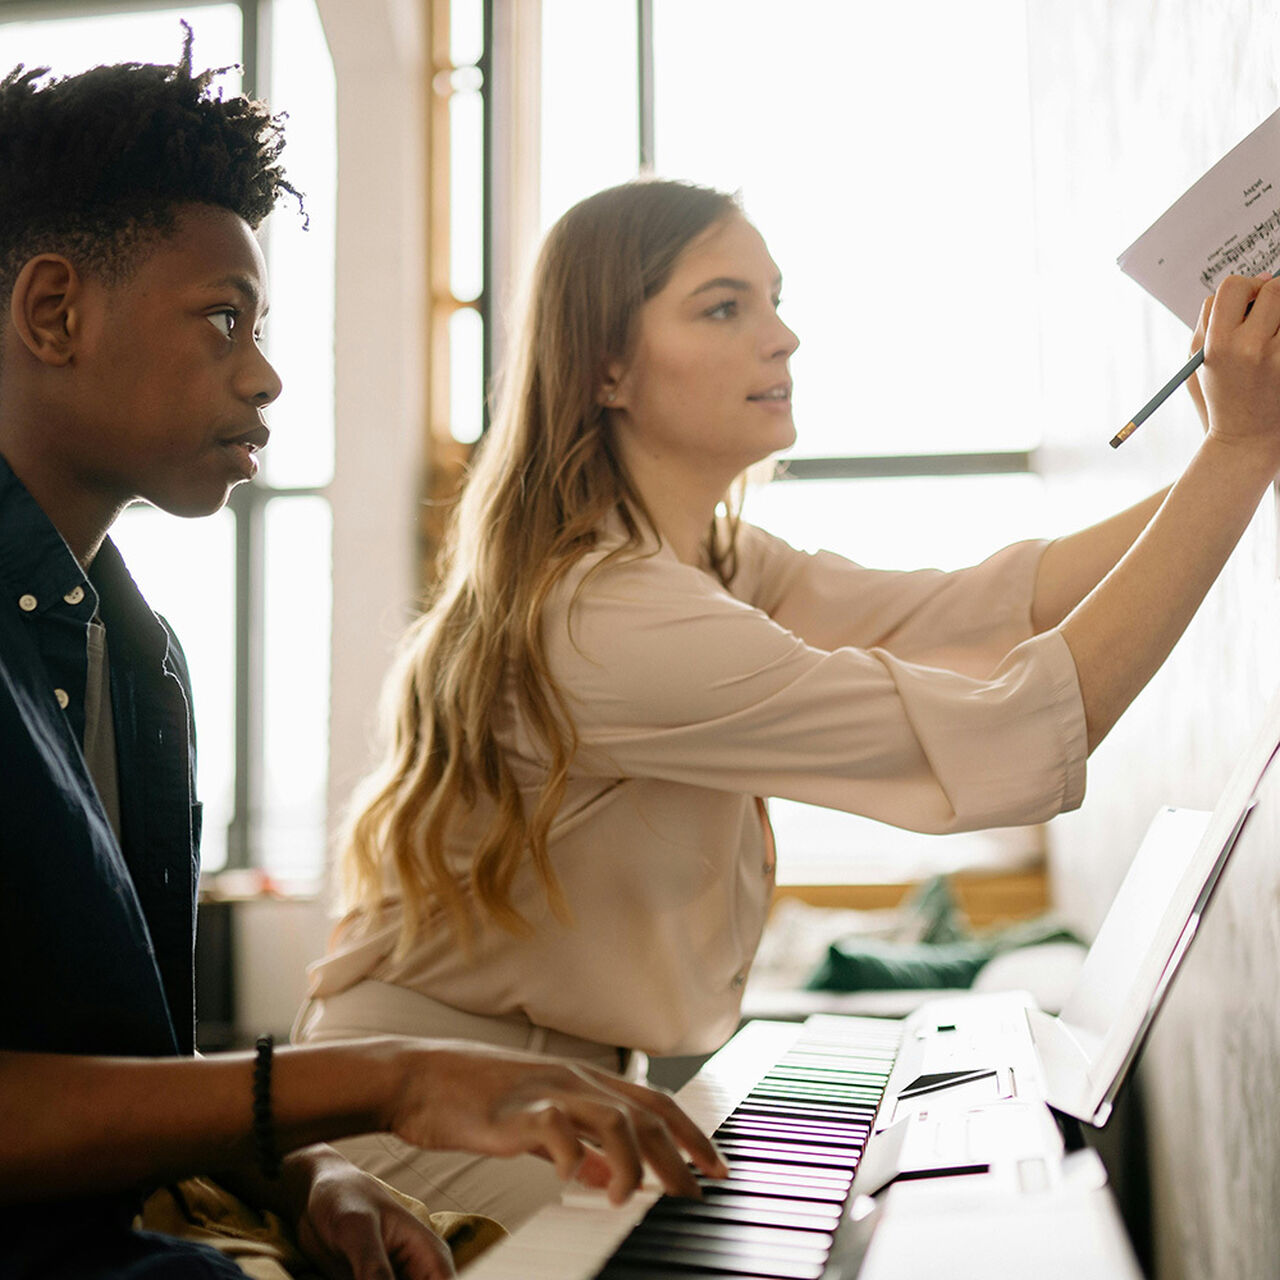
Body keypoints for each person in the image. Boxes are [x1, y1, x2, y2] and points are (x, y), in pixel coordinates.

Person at [294, 174, 1280, 1228]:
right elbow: (1013, 730)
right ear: (606, 367)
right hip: (425, 1126)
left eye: (773, 297)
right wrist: (1237, 450)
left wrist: (1246, 451)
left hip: (548, 1089)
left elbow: (980, 609)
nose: (784, 336)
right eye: (725, 306)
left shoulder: (707, 559)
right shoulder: (609, 617)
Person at [0, 49, 726, 1280]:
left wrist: (317, 1170)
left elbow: (142, 1077)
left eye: (263, 326)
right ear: (55, 310)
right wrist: (386, 1078)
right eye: (223, 316)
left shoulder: (139, 663)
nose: (265, 371)